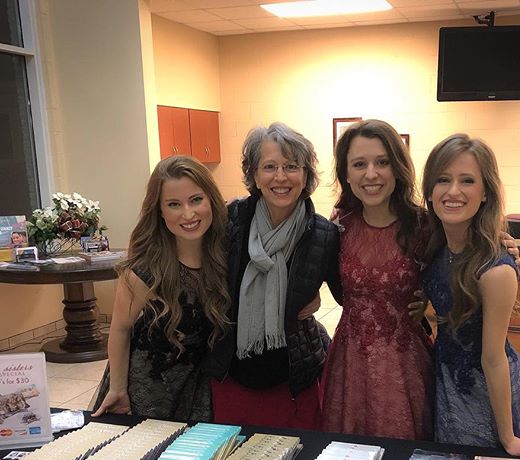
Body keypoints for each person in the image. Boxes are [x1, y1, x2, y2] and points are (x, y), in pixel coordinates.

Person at [420, 133, 520, 460]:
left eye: (467, 180)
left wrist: (508, 436)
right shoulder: (436, 245)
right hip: (447, 379)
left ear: (485, 192)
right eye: (443, 180)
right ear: (430, 190)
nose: (453, 191)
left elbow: (494, 357)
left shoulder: (495, 268)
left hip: (486, 390)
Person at [208, 123, 342, 430]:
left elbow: (353, 293)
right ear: (253, 174)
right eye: (269, 167)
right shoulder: (228, 223)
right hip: (232, 376)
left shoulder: (324, 234)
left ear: (306, 175)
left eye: (291, 166)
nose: (280, 177)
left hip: (294, 382)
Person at [92, 156, 231, 422]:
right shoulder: (145, 272)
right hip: (148, 393)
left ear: (211, 200)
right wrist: (118, 388)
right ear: (160, 211)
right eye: (174, 204)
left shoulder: (225, 257)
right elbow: (120, 329)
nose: (188, 214)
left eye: (196, 200)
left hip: (199, 392)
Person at [321, 119, 434, 439]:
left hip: (405, 362)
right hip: (350, 361)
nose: (371, 174)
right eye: (359, 164)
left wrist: (505, 245)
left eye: (382, 162)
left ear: (397, 167)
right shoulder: (339, 224)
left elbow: (461, 259)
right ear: (346, 173)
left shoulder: (423, 226)